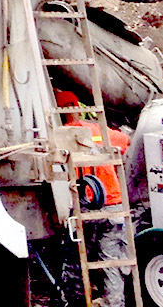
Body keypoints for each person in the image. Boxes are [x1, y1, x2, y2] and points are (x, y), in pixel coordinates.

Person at [56, 90, 131, 307]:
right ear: (78, 107)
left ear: (61, 112)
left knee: (77, 258)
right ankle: (113, 302)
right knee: (111, 260)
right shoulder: (99, 130)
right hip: (115, 206)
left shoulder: (63, 135)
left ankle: (77, 301)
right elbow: (124, 141)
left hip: (89, 206)